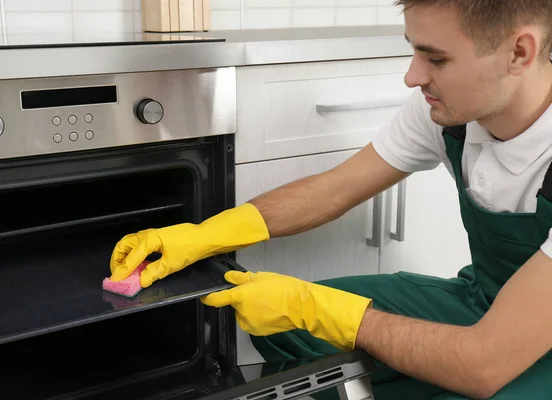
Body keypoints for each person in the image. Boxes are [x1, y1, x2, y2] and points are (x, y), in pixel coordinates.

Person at [108, 0, 552, 398]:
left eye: (436, 58)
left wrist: (315, 306)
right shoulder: (448, 113)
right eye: (415, 50)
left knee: (461, 379)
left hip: (522, 347)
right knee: (291, 333)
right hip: (483, 303)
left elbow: (484, 362)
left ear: (519, 53)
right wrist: (206, 236)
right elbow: (335, 188)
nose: (413, 76)